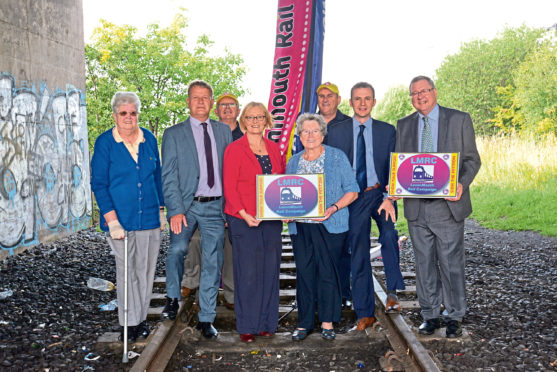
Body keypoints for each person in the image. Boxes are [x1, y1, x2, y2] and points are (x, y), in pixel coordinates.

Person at [394, 76, 481, 338]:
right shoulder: (404, 124)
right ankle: (430, 314)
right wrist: (396, 187)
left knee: (451, 262)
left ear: (434, 92)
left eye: (424, 91)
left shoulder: (459, 119)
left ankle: (454, 316)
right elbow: (400, 164)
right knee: (423, 263)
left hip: (448, 205)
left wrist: (461, 185)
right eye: (414, 93)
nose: (420, 96)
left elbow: (472, 160)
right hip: (417, 207)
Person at [325, 82, 405, 331]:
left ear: (374, 102)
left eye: (367, 99)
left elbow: (396, 167)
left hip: (381, 194)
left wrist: (390, 197)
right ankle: (364, 312)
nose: (362, 103)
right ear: (350, 102)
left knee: (390, 234)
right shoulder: (335, 131)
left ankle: (392, 291)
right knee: (358, 249)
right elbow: (332, 168)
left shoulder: (387, 131)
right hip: (354, 197)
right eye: (357, 99)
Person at [161, 80, 232, 339]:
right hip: (187, 206)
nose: (200, 102)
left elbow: (229, 171)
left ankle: (206, 318)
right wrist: (175, 210)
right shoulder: (173, 134)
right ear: (188, 102)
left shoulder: (223, 131)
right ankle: (171, 298)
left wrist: (228, 208)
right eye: (195, 97)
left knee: (214, 260)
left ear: (211, 103)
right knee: (178, 248)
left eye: (205, 98)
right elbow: (168, 176)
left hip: (215, 206)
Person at [91, 91, 165, 342]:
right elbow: (99, 184)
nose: (129, 117)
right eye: (123, 113)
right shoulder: (105, 143)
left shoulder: (149, 139)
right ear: (115, 115)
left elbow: (157, 177)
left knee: (145, 271)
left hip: (150, 219)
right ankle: (127, 322)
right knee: (126, 272)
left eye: (133, 113)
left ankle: (141, 319)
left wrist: (163, 211)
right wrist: (111, 221)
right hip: (119, 222)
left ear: (138, 114)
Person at [287, 113, 359, 341]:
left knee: (328, 273)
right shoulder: (293, 161)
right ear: (299, 135)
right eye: (305, 131)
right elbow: (287, 194)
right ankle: (305, 323)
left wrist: (334, 208)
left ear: (322, 133)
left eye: (315, 130)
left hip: (330, 225)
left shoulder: (337, 157)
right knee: (305, 274)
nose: (310, 135)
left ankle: (327, 321)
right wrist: (285, 213)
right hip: (301, 228)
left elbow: (352, 190)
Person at [223, 102, 285, 343]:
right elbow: (230, 185)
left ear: (267, 120)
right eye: (250, 117)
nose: (255, 121)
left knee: (270, 270)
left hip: (271, 219)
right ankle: (247, 325)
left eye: (260, 117)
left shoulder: (274, 148)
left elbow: (281, 182)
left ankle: (268, 323)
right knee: (247, 273)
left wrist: (284, 209)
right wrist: (242, 213)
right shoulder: (234, 149)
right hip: (243, 218)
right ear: (243, 121)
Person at [180, 92, 242, 310]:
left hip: (233, 201)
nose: (227, 109)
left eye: (231, 105)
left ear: (238, 110)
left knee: (230, 246)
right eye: (223, 105)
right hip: (205, 199)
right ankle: (190, 281)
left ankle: (232, 293)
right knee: (195, 241)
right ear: (216, 110)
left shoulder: (245, 136)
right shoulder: (206, 130)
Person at [316, 82, 352, 307]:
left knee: (342, 248)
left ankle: (343, 294)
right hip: (313, 195)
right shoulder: (308, 122)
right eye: (321, 96)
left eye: (330, 96)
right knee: (315, 249)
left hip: (341, 195)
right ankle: (319, 296)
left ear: (339, 99)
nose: (326, 99)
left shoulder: (349, 124)